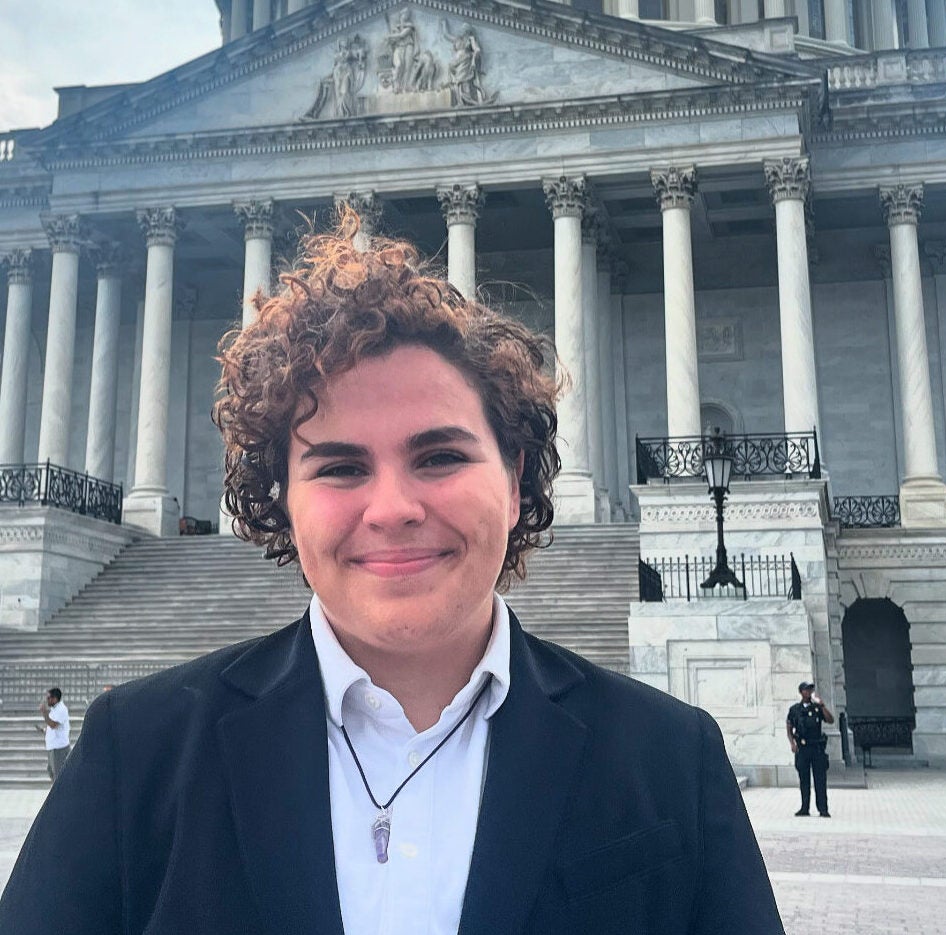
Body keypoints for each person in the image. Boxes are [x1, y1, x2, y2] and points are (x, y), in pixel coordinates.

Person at [0, 211, 783, 933]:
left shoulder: (669, 757)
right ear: (283, 498)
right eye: (339, 467)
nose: (392, 507)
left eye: (439, 455)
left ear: (514, 478)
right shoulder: (134, 756)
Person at [786, 681, 833, 818]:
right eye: (807, 689)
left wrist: (822, 705)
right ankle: (804, 807)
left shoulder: (818, 708)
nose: (809, 692)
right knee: (804, 780)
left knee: (820, 779)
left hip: (817, 748)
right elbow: (789, 727)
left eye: (811, 689)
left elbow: (830, 720)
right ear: (801, 692)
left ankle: (823, 809)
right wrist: (792, 743)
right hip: (802, 748)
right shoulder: (795, 709)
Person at [38, 687, 70, 784]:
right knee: (51, 772)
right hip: (52, 746)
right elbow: (50, 725)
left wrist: (44, 714)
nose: (47, 700)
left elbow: (53, 725)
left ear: (55, 698)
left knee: (58, 775)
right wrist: (44, 730)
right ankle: (57, 793)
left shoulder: (61, 709)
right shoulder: (54, 709)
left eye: (48, 698)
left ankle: (60, 795)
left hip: (59, 748)